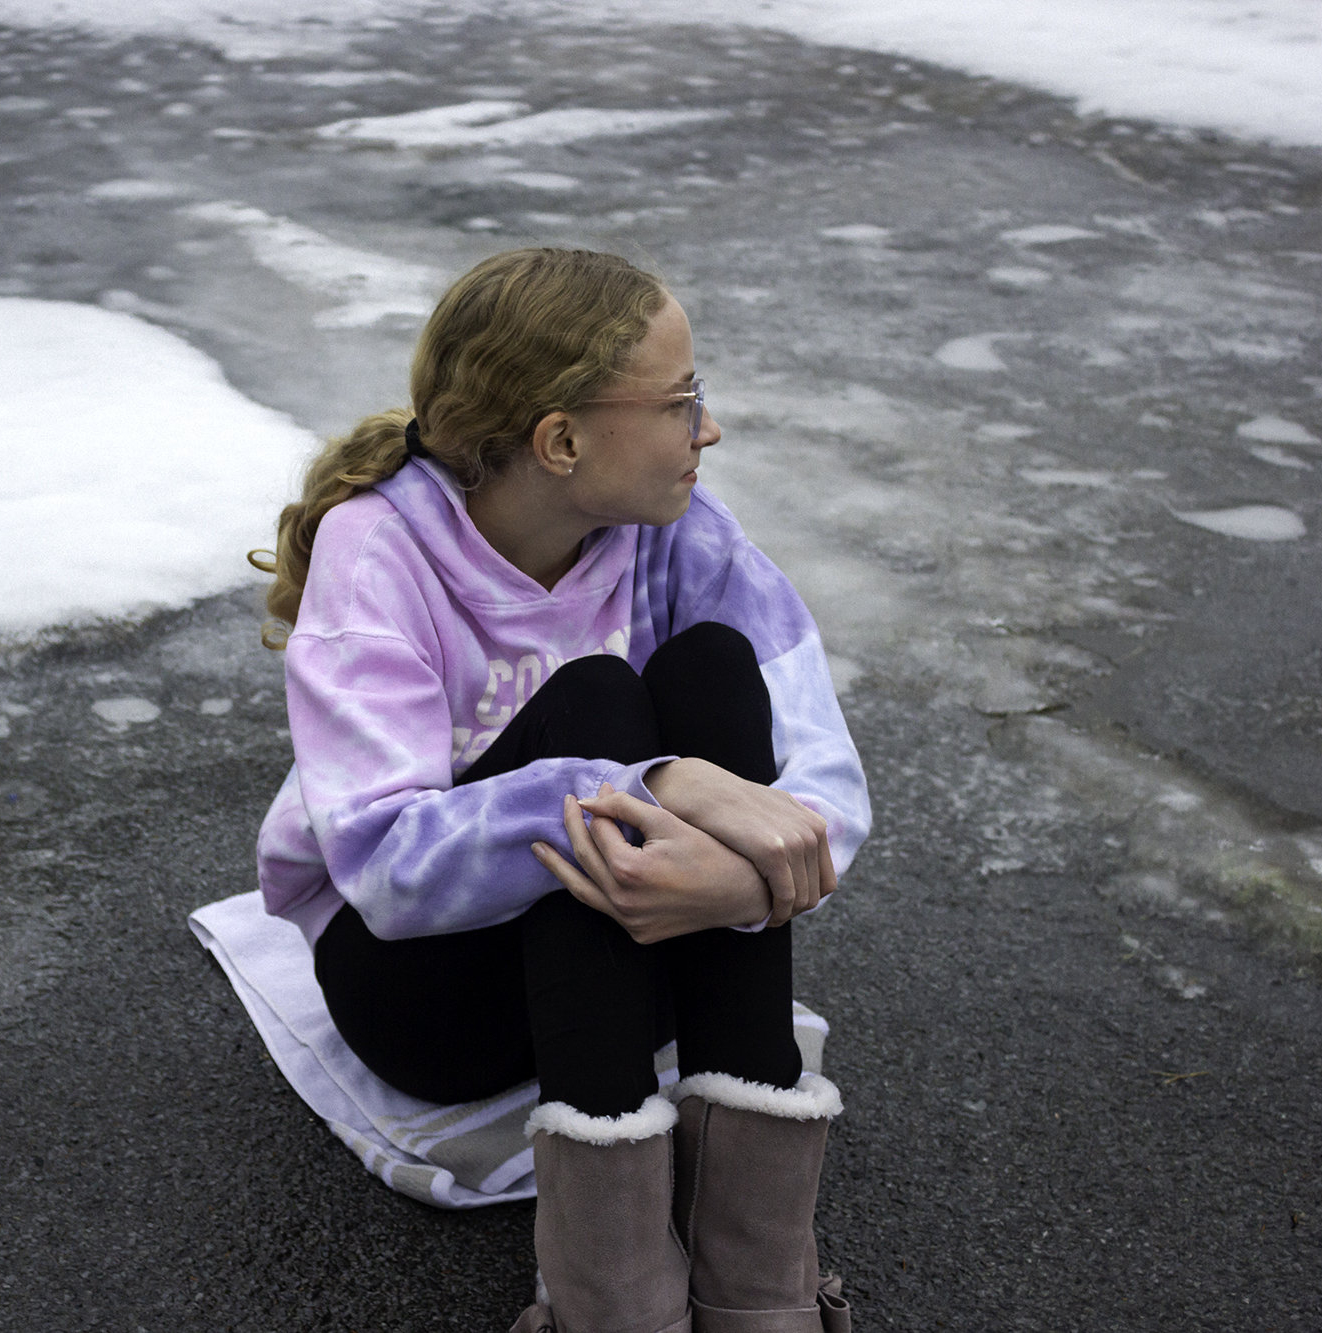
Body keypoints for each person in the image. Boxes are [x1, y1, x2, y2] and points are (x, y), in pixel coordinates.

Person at [252, 248, 871, 1333]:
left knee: (710, 669)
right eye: (680, 402)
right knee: (590, 703)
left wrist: (732, 883)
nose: (707, 428)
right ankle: (610, 1305)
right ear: (560, 440)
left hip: (637, 962)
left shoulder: (679, 536)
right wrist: (653, 784)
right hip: (427, 998)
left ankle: (757, 1286)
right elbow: (386, 868)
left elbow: (821, 784)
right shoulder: (379, 552)